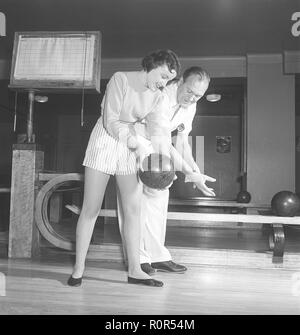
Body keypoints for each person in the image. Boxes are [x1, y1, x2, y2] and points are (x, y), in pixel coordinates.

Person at [67, 49, 180, 287]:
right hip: (107, 138)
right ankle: (79, 268)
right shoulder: (121, 78)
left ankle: (135, 269)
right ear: (150, 66)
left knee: (133, 210)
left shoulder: (159, 96)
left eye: (168, 80)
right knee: (91, 208)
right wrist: (135, 143)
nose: (163, 83)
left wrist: (162, 163)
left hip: (134, 141)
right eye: (161, 76)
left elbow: (158, 131)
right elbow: (110, 119)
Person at [118, 66, 216, 275]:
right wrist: (189, 172)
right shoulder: (160, 96)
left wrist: (196, 174)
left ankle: (157, 256)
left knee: (159, 195)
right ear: (179, 82)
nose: (192, 98)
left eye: (198, 96)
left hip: (157, 144)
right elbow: (164, 141)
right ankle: (138, 259)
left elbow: (181, 142)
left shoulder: (190, 106)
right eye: (189, 91)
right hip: (132, 140)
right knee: (133, 200)